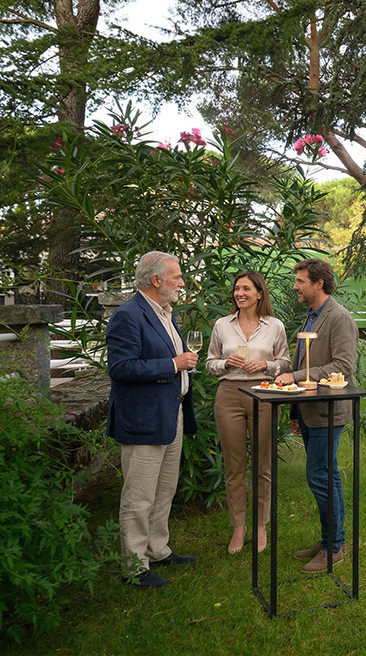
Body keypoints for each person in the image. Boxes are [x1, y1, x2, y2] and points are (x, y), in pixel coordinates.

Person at [107, 251, 197, 589]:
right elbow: (121, 368)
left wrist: (181, 366)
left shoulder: (165, 313)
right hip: (143, 420)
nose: (181, 283)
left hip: (171, 415)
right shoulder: (128, 315)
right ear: (156, 280)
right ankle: (134, 567)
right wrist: (174, 365)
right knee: (139, 496)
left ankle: (157, 549)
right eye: (177, 277)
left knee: (164, 490)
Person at [275, 259, 358, 571]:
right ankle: (330, 540)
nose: (295, 286)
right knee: (327, 474)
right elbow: (304, 362)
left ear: (319, 283)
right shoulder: (311, 316)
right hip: (310, 410)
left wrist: (294, 378)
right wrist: (295, 411)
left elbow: (343, 366)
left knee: (320, 476)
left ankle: (334, 547)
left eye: (300, 281)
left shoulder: (339, 317)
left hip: (329, 411)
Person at [206, 271, 291, 554]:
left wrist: (265, 365)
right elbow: (210, 362)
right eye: (236, 289)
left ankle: (261, 524)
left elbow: (285, 362)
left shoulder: (275, 326)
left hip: (264, 393)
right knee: (234, 466)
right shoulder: (222, 325)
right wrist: (225, 364)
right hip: (229, 396)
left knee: (263, 464)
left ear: (259, 293)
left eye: (245, 289)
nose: (239, 293)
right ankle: (239, 526)